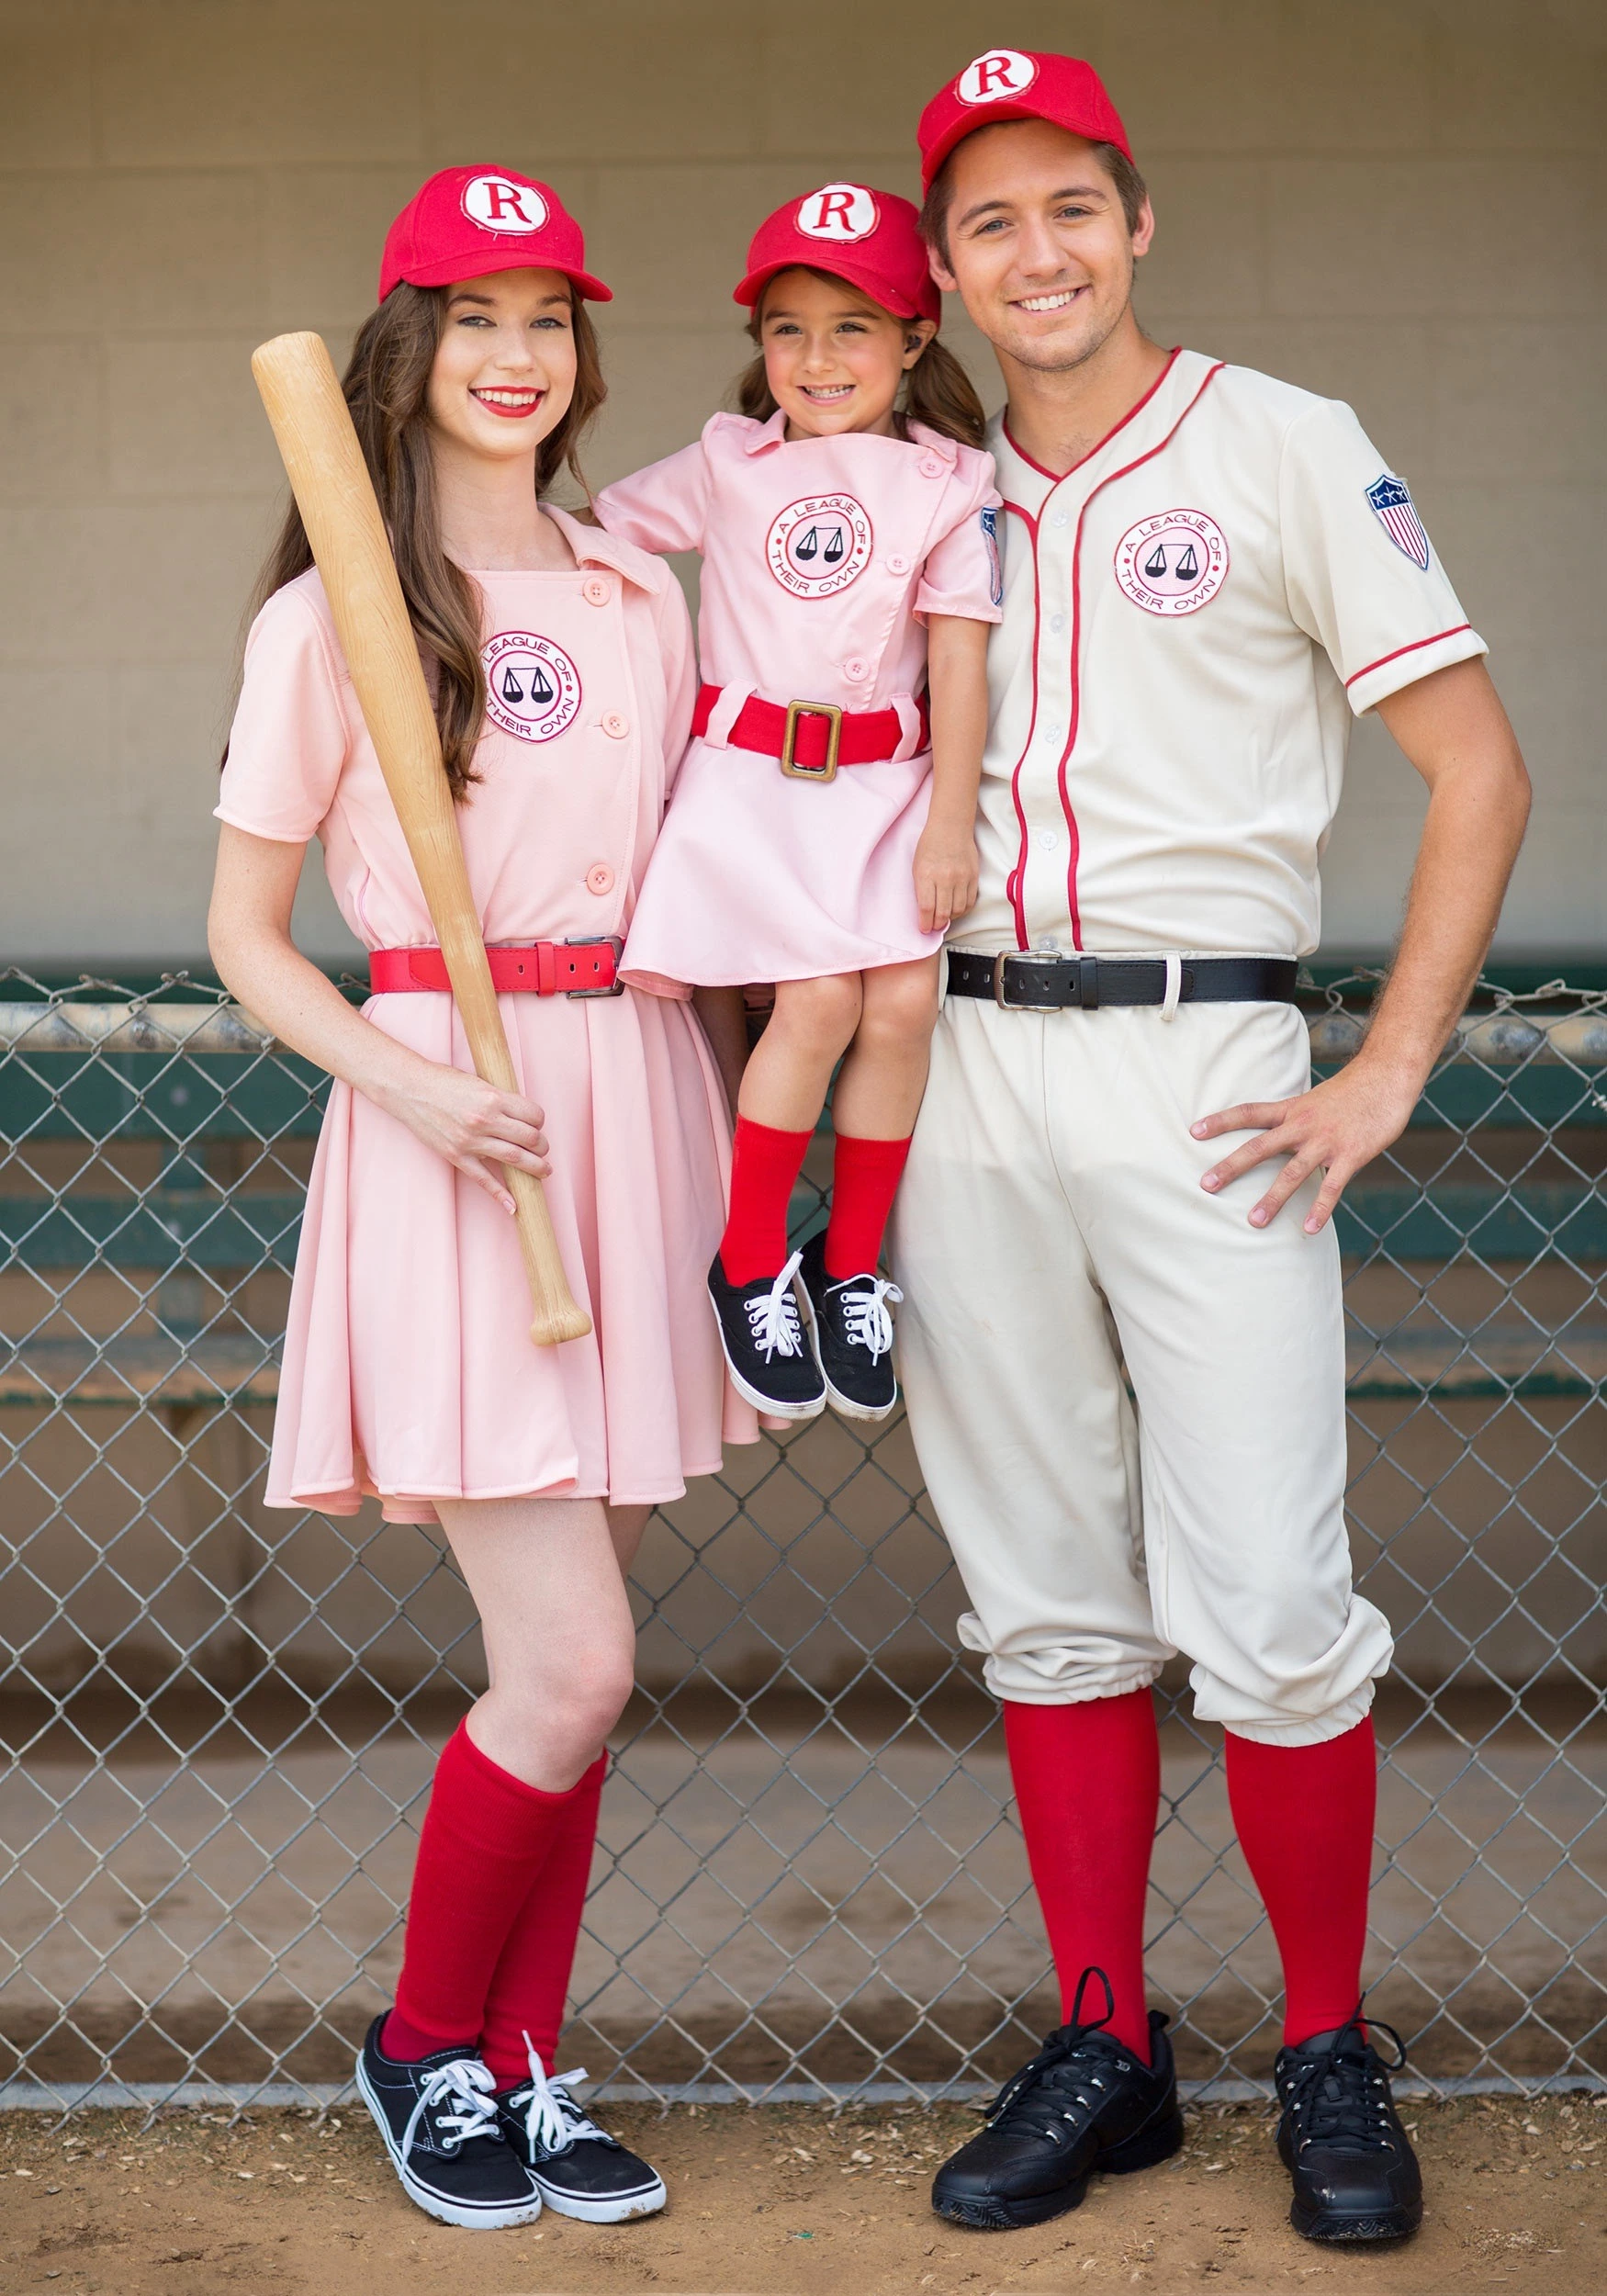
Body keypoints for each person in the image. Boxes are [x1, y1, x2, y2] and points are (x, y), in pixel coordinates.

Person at [888, 51, 1531, 2245]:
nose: (1036, 252)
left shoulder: (1279, 443)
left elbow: (1474, 768)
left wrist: (1385, 1071)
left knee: (1265, 1605)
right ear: (944, 268)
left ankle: (1326, 2040)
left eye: (1069, 204)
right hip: (963, 1060)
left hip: (1206, 1065)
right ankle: (1106, 2040)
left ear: (1135, 220)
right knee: (1047, 1605)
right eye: (987, 222)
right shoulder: (907, 476)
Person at [208, 165, 759, 2232]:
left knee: (581, 1652)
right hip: (453, 1120)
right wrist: (410, 1082)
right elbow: (246, 934)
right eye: (473, 316)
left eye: (547, 315)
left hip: (632, 1097)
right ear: (405, 351)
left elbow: (706, 897)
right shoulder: (330, 611)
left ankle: (523, 2073)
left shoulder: (636, 586)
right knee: (574, 1664)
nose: (517, 354)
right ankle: (427, 2042)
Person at [594, 186, 1000, 1425]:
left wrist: (947, 826)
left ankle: (852, 1260)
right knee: (819, 999)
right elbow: (600, 537)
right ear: (758, 344)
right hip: (750, 788)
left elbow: (959, 664)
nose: (816, 358)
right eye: (786, 329)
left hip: (885, 791)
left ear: (916, 341)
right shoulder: (728, 464)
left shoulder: (948, 484)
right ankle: (751, 1255)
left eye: (852, 327)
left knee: (901, 1001)